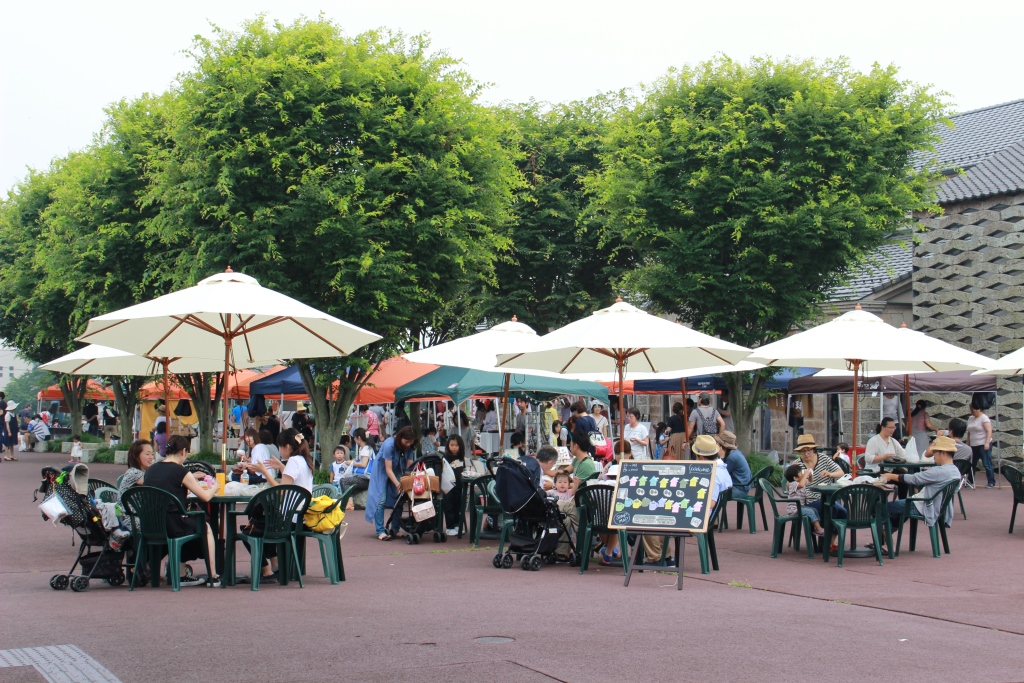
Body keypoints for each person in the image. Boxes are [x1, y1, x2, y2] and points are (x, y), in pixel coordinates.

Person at [142, 435, 219, 587]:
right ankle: (213, 576)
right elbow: (205, 497)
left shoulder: (151, 469)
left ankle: (181, 574)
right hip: (173, 524)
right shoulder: (180, 471)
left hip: (151, 524)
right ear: (183, 451)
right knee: (205, 527)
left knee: (188, 522)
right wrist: (215, 487)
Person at [248, 429, 315, 583]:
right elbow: (295, 481)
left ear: (286, 447)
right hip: (300, 515)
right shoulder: (304, 459)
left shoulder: (293, 461)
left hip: (288, 519)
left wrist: (265, 471)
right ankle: (275, 565)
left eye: (279, 447)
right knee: (261, 520)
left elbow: (281, 492)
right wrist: (280, 467)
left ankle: (267, 570)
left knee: (251, 528)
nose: (278, 451)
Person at [878, 435, 961, 552]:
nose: (933, 457)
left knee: (881, 508)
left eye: (935, 453)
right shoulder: (955, 471)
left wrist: (891, 476)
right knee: (897, 510)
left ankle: (885, 542)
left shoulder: (939, 471)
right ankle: (887, 538)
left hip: (924, 505)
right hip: (940, 507)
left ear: (943, 453)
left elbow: (914, 479)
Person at [794, 434, 847, 551]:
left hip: (827, 496)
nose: (806, 454)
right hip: (808, 500)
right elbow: (789, 484)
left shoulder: (823, 458)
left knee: (843, 512)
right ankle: (825, 542)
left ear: (814, 450)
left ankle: (831, 541)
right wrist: (798, 476)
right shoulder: (797, 464)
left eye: (808, 451)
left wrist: (830, 474)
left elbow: (841, 472)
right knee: (832, 508)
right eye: (802, 452)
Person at [365, 426, 416, 541]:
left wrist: (406, 481)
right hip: (381, 471)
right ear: (400, 437)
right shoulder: (389, 444)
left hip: (397, 470)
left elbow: (409, 467)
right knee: (380, 500)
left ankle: (395, 529)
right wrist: (398, 484)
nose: (408, 444)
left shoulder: (409, 447)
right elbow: (388, 469)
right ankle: (380, 531)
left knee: (400, 497)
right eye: (406, 441)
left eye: (410, 442)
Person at [784, 464, 827, 540]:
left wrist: (810, 474)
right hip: (794, 510)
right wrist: (805, 475)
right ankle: (819, 529)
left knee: (814, 510)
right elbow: (801, 485)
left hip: (800, 507)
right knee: (810, 511)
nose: (802, 473)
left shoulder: (800, 482)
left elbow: (810, 481)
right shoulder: (792, 484)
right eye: (800, 473)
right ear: (795, 478)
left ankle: (816, 527)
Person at [442, 434, 468, 535]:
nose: (454, 447)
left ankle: (457, 525)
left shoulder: (461, 458)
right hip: (448, 486)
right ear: (448, 445)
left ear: (460, 446)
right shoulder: (445, 457)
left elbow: (463, 469)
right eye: (452, 445)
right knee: (449, 506)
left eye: (456, 445)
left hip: (459, 486)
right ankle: (449, 526)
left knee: (458, 506)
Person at [966, 401, 995, 488]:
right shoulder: (970, 418)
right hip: (973, 444)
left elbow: (989, 430)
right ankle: (970, 480)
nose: (971, 411)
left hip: (983, 444)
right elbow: (969, 431)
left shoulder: (984, 418)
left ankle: (991, 481)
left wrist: (987, 443)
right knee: (972, 463)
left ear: (978, 409)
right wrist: (968, 442)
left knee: (986, 463)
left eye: (972, 409)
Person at [715, 431, 751, 496]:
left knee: (715, 492)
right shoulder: (734, 453)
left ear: (722, 446)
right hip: (742, 486)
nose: (716, 444)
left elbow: (722, 474)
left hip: (739, 488)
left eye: (717, 443)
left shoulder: (732, 457)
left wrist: (721, 457)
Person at [340, 428, 374, 494]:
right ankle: (349, 502)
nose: (354, 440)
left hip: (366, 479)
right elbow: (358, 460)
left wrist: (351, 463)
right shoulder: (363, 448)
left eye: (354, 438)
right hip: (364, 477)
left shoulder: (366, 449)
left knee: (343, 481)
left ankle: (349, 503)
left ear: (358, 438)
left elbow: (363, 464)